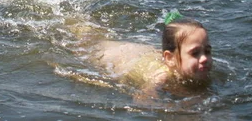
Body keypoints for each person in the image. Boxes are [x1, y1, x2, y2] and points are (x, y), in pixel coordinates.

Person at [66, 10, 213, 99]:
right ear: (170, 59)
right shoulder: (160, 78)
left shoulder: (201, 72)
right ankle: (69, 18)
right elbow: (142, 99)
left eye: (207, 51)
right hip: (112, 55)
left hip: (141, 53)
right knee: (86, 41)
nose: (204, 58)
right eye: (195, 53)